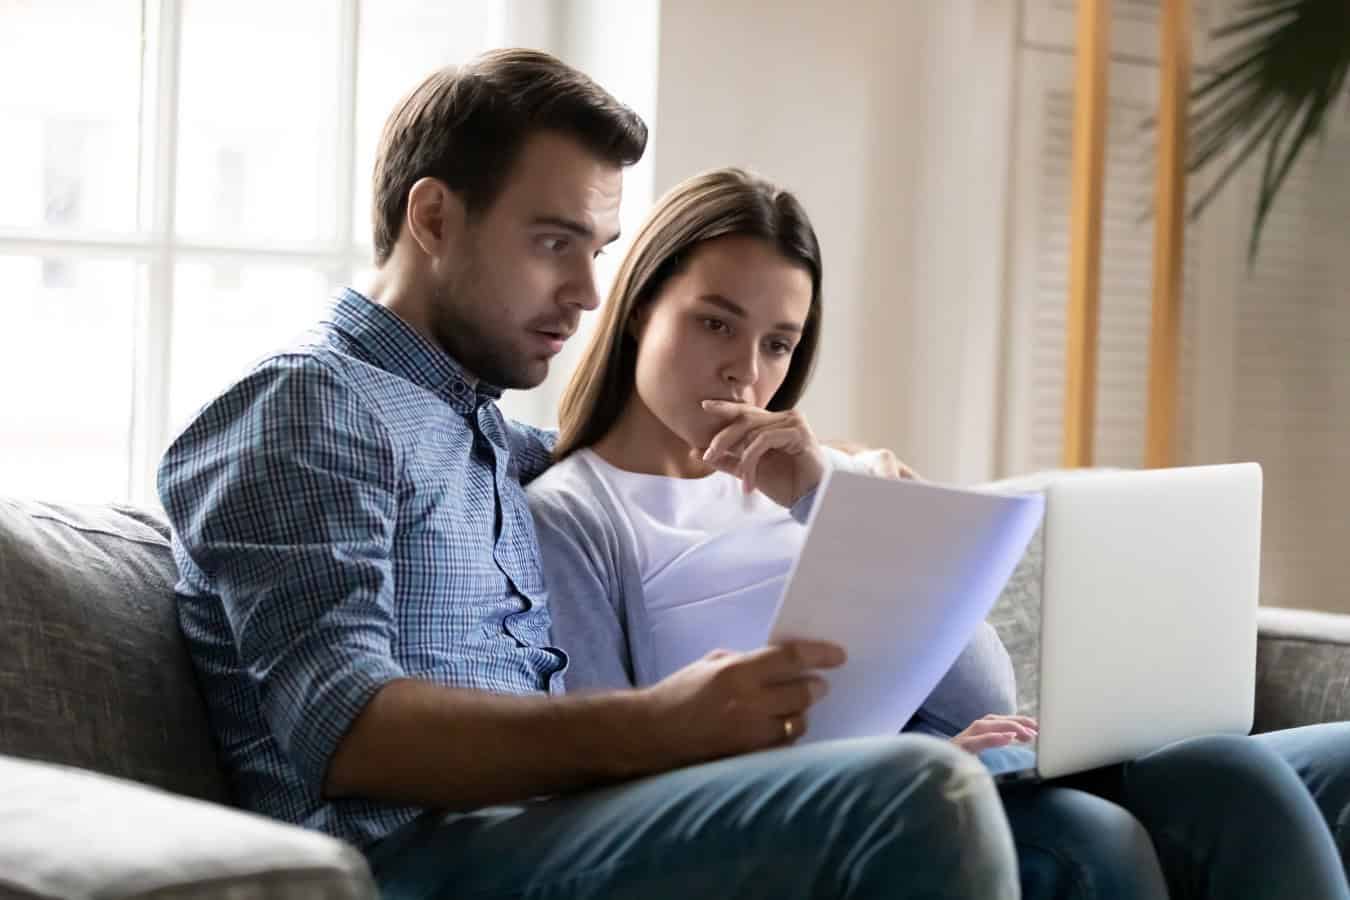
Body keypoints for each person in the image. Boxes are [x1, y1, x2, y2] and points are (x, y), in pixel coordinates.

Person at [157, 50, 1021, 900]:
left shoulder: (484, 434)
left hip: (536, 835)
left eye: (598, 250)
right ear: (432, 219)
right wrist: (669, 724)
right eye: (553, 243)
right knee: (918, 790)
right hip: (407, 864)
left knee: (1066, 806)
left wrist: (845, 485)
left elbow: (649, 461)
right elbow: (344, 730)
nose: (588, 291)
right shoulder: (307, 405)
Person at [527, 165, 1350, 900]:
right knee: (1100, 841)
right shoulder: (578, 515)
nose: (747, 368)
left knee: (1237, 768)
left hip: (969, 772)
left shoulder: (820, 478)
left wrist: (832, 498)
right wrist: (917, 773)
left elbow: (985, 698)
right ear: (638, 310)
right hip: (857, 816)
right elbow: (611, 782)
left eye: (778, 342)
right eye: (715, 323)